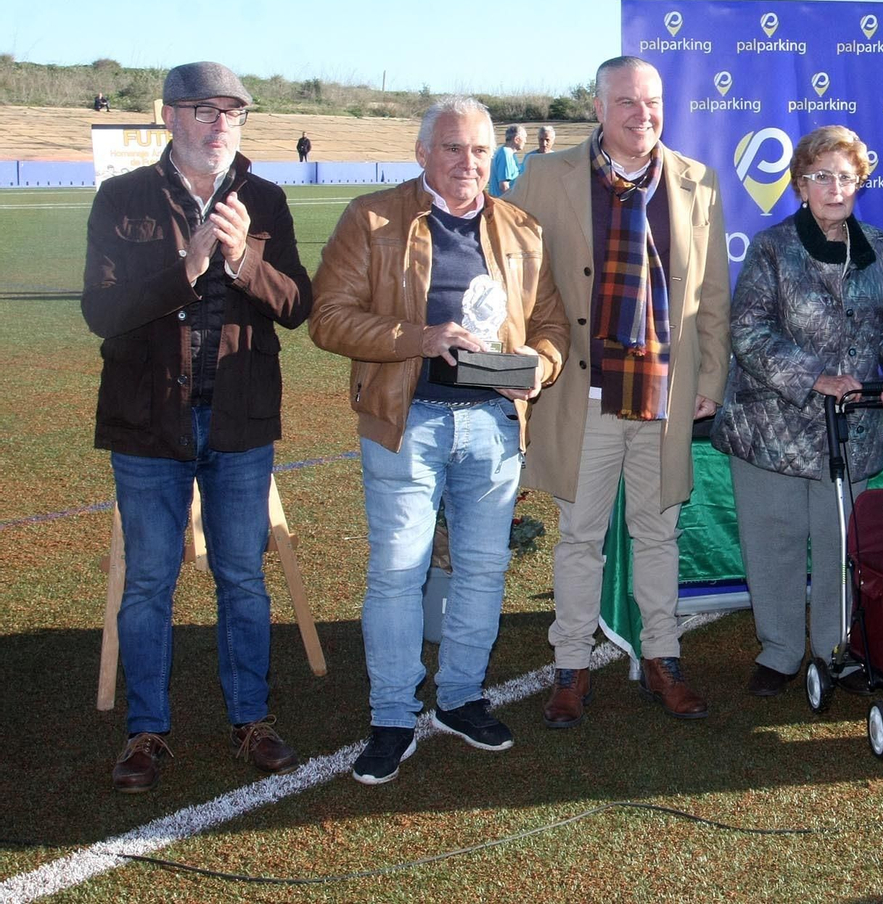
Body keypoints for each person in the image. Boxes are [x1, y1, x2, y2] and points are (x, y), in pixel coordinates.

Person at [309, 96, 569, 785]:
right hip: (407, 420)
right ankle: (393, 713)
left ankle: (459, 697)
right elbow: (328, 318)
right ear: (421, 152)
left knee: (483, 569)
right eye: (452, 148)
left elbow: (551, 327)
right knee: (398, 570)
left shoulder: (520, 228)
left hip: (493, 424)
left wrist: (538, 368)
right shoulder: (372, 217)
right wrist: (420, 339)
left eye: (480, 150)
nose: (468, 162)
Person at [83, 61, 311, 792]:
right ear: (169, 116)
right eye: (204, 109)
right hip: (148, 426)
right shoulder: (122, 199)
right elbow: (103, 313)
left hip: (239, 422)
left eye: (232, 111)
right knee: (150, 580)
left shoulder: (266, 200)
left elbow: (296, 304)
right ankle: (146, 730)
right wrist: (188, 264)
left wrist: (243, 257)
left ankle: (252, 718)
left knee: (241, 576)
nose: (220, 123)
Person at [507, 56, 730, 725]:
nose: (643, 114)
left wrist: (711, 378)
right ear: (599, 108)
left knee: (658, 534)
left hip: (666, 395)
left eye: (653, 101)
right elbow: (512, 268)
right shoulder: (548, 176)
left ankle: (661, 659)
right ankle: (570, 666)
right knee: (580, 535)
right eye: (627, 102)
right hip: (587, 394)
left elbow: (713, 295)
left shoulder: (697, 181)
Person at [711, 125, 883, 696]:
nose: (834, 188)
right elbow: (749, 334)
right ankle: (778, 652)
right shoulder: (771, 247)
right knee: (773, 545)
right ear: (800, 185)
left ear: (861, 182)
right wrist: (817, 378)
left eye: (845, 177)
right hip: (771, 429)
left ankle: (836, 649)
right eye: (821, 177)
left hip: (851, 433)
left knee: (840, 547)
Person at [488, 124, 525, 196]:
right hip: (502, 202)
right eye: (524, 138)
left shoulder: (503, 151)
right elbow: (504, 185)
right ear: (517, 139)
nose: (525, 141)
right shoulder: (505, 154)